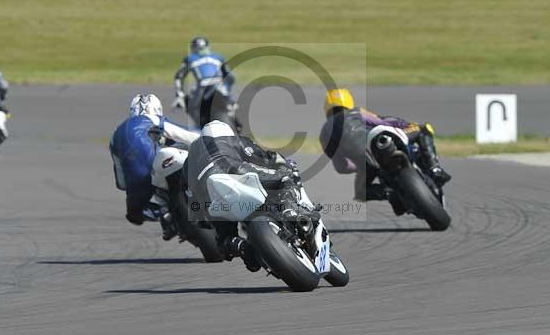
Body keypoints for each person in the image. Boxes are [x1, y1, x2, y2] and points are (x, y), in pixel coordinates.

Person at [183, 120, 296, 272]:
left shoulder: (189, 161)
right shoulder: (233, 141)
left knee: (223, 240)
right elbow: (263, 158)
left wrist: (203, 216)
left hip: (211, 199)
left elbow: (189, 195)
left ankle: (242, 247)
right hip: (235, 174)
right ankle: (290, 211)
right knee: (285, 177)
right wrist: (284, 165)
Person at [319, 88, 451, 214]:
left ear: (326, 108)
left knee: (360, 193)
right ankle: (435, 169)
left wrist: (359, 164)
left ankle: (389, 193)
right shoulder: (357, 112)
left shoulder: (324, 135)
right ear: (349, 101)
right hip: (380, 141)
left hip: (366, 163)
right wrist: (405, 126)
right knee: (423, 129)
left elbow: (342, 167)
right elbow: (382, 122)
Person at [109, 94, 199, 240]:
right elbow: (187, 135)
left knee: (134, 215)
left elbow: (121, 183)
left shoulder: (115, 137)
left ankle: (164, 213)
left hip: (137, 183)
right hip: (160, 164)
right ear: (157, 109)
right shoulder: (153, 119)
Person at [172, 37, 236, 125]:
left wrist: (179, 95)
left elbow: (179, 77)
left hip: (202, 89)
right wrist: (227, 92)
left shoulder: (190, 58)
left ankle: (200, 127)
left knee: (191, 105)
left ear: (193, 48)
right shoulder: (218, 57)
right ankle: (233, 115)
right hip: (220, 88)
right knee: (230, 104)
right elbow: (231, 77)